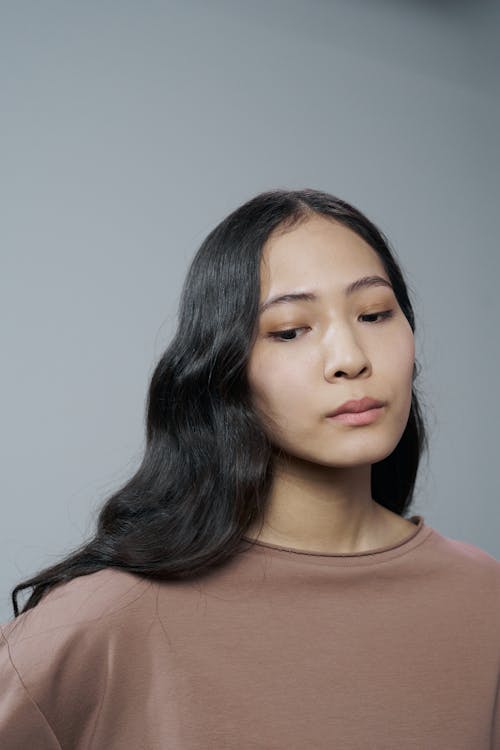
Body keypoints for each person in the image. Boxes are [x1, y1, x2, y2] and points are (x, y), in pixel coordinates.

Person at [1, 188, 498, 749]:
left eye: (376, 314)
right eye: (290, 330)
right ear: (225, 369)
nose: (351, 358)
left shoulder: (486, 599)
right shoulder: (108, 621)